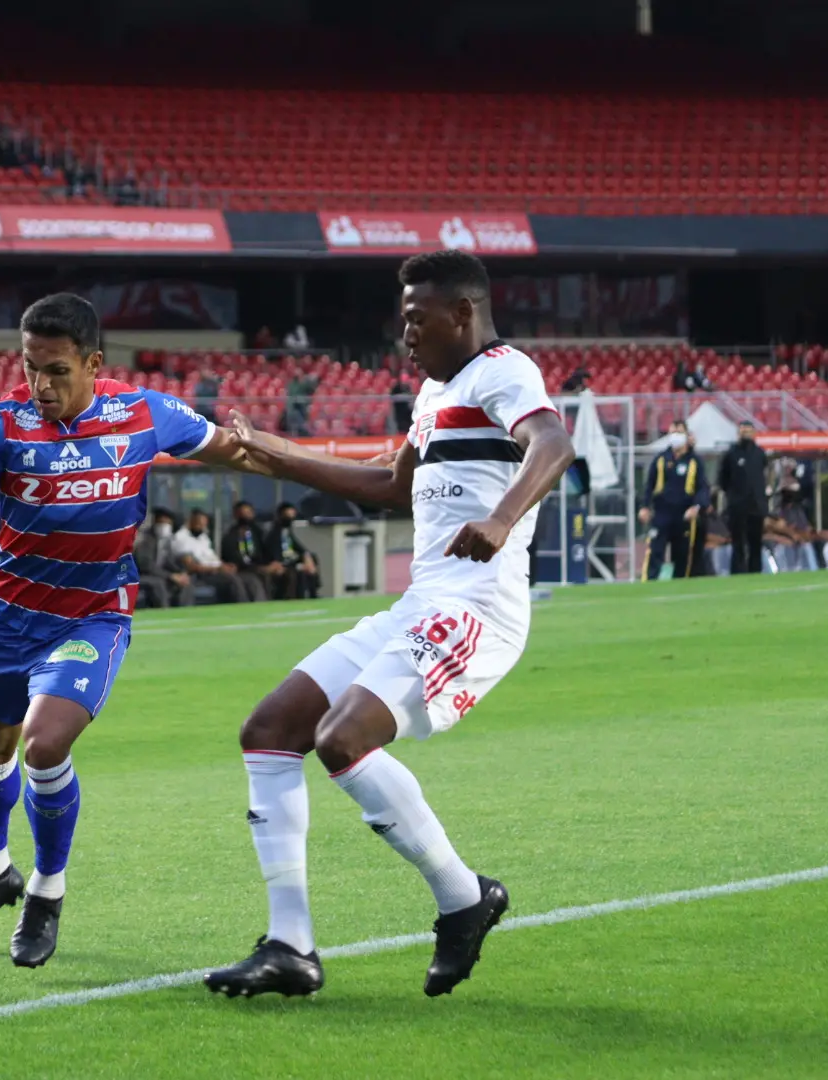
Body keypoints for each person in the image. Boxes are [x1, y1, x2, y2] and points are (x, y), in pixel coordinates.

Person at [203, 249, 575, 1000]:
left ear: (461, 313)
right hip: (421, 608)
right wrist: (275, 454)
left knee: (342, 737)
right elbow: (390, 486)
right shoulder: (436, 395)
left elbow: (553, 444)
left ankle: (463, 898)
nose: (402, 332)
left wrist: (503, 519)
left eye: (415, 317)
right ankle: (290, 945)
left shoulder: (503, 371)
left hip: (476, 611)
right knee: (270, 729)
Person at [0, 292, 272, 968]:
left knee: (43, 745)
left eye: (56, 371)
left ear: (93, 363)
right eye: (30, 369)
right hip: (6, 613)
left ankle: (47, 893)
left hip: (92, 613)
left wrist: (344, 471)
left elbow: (237, 452)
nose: (41, 386)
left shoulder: (143, 413)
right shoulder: (0, 424)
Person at [639, 420, 709, 579]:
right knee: (655, 552)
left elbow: (703, 488)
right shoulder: (661, 459)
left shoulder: (694, 461)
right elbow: (649, 485)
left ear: (686, 435)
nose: (675, 437)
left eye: (679, 433)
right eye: (673, 433)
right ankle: (648, 585)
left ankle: (679, 588)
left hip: (683, 515)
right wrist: (644, 506)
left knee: (682, 556)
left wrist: (696, 507)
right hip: (661, 514)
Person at [718, 421, 767, 575]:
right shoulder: (731, 454)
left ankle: (755, 572)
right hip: (737, 507)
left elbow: (763, 476)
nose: (745, 433)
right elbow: (723, 480)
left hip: (756, 506)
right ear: (738, 433)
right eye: (743, 431)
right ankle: (738, 573)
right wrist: (733, 496)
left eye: (748, 431)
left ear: (753, 433)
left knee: (756, 543)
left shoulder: (760, 453)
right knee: (738, 543)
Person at [172, 509, 246, 603]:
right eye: (199, 524)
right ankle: (241, 608)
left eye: (204, 524)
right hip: (199, 574)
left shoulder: (203, 537)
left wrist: (225, 566)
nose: (202, 527)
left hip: (213, 571)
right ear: (190, 521)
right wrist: (217, 569)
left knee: (244, 579)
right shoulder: (181, 538)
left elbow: (212, 558)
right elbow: (190, 566)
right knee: (233, 581)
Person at [133, 507, 194, 609]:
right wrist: (170, 576)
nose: (165, 526)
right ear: (155, 522)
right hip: (141, 575)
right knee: (158, 584)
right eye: (161, 522)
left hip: (159, 574)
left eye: (168, 523)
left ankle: (184, 612)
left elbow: (168, 561)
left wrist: (180, 573)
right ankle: (164, 612)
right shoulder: (146, 539)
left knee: (186, 582)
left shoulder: (166, 540)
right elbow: (146, 565)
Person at [220, 501, 275, 603]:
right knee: (254, 581)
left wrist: (271, 564)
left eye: (248, 513)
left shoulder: (258, 533)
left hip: (258, 566)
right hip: (241, 569)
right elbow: (232, 557)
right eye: (242, 514)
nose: (246, 517)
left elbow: (267, 551)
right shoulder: (230, 535)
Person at [262, 501, 319, 600]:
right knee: (296, 572)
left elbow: (298, 547)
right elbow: (276, 556)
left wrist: (306, 555)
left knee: (313, 558)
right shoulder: (273, 534)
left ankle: (313, 593)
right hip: (283, 563)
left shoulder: (287, 532)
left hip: (292, 560)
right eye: (287, 516)